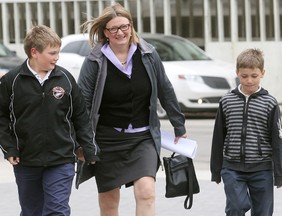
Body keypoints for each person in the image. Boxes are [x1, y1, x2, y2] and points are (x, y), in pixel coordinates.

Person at [76, 3, 187, 216]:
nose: (120, 32)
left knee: (147, 192)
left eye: (124, 26)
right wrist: (82, 141)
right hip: (107, 140)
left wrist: (178, 123)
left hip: (142, 138)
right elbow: (83, 103)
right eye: (114, 29)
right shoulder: (94, 61)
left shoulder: (148, 54)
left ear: (131, 26)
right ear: (105, 33)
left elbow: (165, 88)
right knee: (109, 202)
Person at [0, 25, 100, 216]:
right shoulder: (12, 81)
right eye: (52, 52)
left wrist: (88, 147)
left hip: (61, 159)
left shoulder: (66, 79)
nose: (57, 57)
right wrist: (9, 148)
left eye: (58, 52)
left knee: (57, 211)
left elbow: (80, 116)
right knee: (32, 212)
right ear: (34, 52)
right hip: (26, 160)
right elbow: (1, 117)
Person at [210, 48, 282, 216]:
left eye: (254, 76)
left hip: (262, 170)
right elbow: (218, 137)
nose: (249, 81)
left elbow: (277, 140)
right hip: (232, 168)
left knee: (263, 212)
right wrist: (215, 170)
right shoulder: (226, 101)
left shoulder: (270, 103)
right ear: (237, 73)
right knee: (236, 207)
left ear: (262, 73)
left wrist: (280, 174)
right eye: (244, 76)